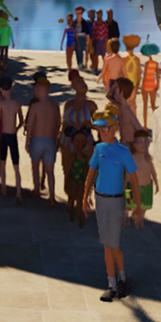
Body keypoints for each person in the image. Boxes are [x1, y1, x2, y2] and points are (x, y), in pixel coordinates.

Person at [83, 114, 138, 301]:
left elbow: (134, 180)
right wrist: (85, 197)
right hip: (100, 199)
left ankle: (116, 282)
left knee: (111, 243)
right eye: (99, 129)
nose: (102, 132)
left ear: (114, 128)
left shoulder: (123, 152)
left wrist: (137, 206)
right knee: (106, 243)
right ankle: (116, 281)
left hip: (116, 201)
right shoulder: (99, 149)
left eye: (106, 128)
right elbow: (91, 173)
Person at [60, 71, 97, 225]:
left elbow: (99, 125)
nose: (82, 83)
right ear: (72, 86)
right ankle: (70, 200)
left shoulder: (91, 105)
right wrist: (59, 139)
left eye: (82, 80)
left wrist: (90, 125)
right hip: (68, 143)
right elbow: (63, 125)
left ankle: (82, 202)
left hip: (86, 144)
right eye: (78, 81)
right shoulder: (68, 104)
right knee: (68, 172)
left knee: (86, 175)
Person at [24, 74, 59, 205]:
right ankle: (52, 196)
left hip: (37, 140)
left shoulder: (35, 107)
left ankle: (37, 190)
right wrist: (55, 138)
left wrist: (27, 141)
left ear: (39, 91)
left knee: (35, 166)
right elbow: (57, 123)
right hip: (50, 140)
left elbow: (30, 125)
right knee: (50, 171)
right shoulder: (54, 106)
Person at [0, 80, 24, 197]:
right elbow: (21, 121)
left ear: (1, 90)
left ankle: (4, 188)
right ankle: (18, 192)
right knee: (16, 166)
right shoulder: (16, 104)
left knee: (3, 164)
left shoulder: (1, 105)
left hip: (4, 135)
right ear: (11, 89)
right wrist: (16, 128)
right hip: (13, 136)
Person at [137, 45, 161, 124]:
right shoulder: (155, 63)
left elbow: (144, 76)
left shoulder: (146, 63)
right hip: (152, 85)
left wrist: (142, 87)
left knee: (145, 106)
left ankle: (145, 124)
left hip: (146, 85)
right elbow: (157, 76)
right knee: (153, 105)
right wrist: (157, 84)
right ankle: (157, 122)